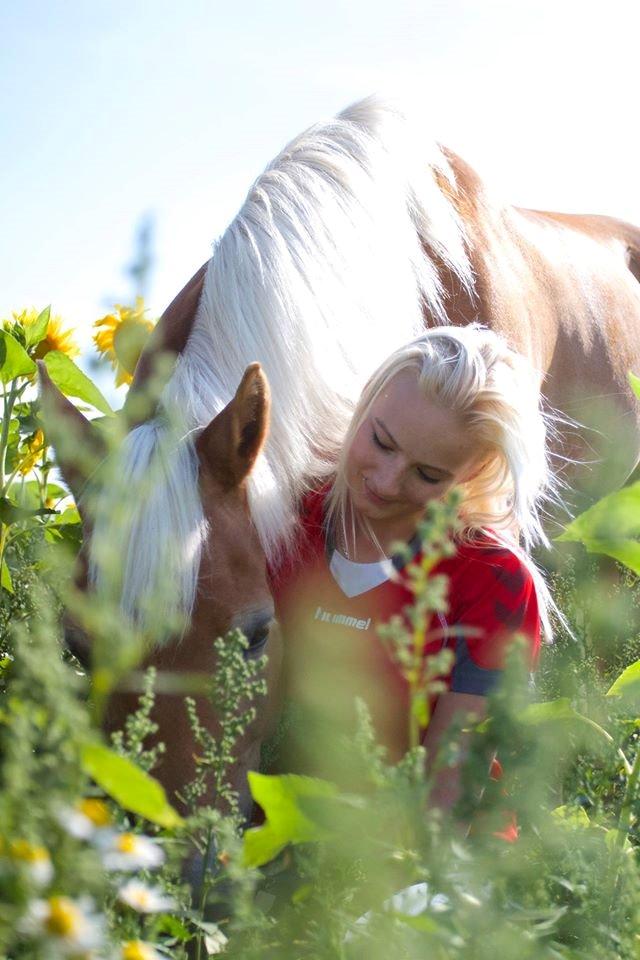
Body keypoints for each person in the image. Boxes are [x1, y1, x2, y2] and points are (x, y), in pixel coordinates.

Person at [269, 324, 553, 813]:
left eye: (428, 474)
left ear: (475, 474)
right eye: (381, 441)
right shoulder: (281, 515)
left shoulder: (493, 580)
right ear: (365, 401)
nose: (386, 481)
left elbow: (447, 802)